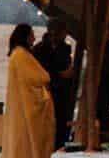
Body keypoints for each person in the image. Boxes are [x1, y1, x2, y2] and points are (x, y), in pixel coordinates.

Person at [0, 24, 55, 158]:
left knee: (22, 149)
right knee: (27, 149)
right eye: (31, 34)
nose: (34, 37)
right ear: (24, 36)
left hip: (22, 110)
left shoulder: (17, 55)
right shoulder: (21, 56)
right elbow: (40, 77)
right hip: (25, 112)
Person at [32, 18, 79, 151]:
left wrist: (69, 73)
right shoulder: (39, 49)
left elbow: (67, 67)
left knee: (62, 128)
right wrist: (58, 75)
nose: (65, 35)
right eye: (63, 31)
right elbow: (40, 72)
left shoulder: (65, 48)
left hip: (64, 94)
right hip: (47, 94)